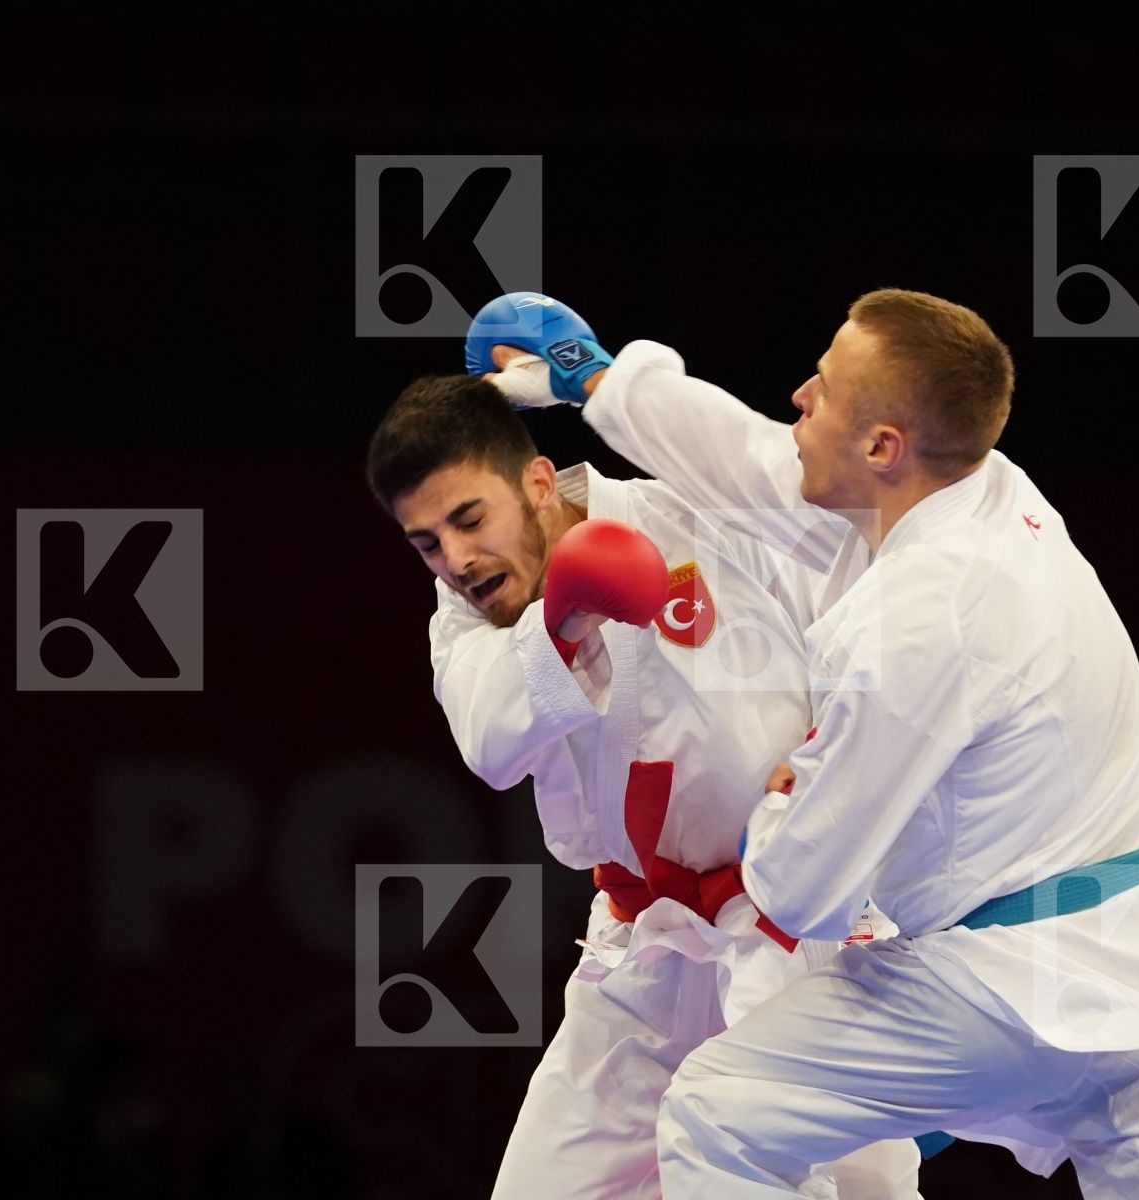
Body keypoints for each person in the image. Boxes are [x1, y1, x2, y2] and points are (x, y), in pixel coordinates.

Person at [477, 288, 1139, 1197]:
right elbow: (760, 465)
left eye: (825, 389)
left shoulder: (912, 622)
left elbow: (804, 889)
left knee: (718, 1110)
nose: (798, 395)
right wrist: (601, 383)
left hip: (998, 994)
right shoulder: (984, 488)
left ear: (881, 445)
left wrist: (782, 790)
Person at [365, 311, 923, 1199]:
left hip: (788, 926)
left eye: (470, 519)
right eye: (426, 543)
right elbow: (489, 743)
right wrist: (564, 619)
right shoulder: (467, 620)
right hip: (642, 947)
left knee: (852, 1189)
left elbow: (808, 495)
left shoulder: (691, 513)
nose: (458, 560)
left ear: (541, 482)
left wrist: (600, 376)